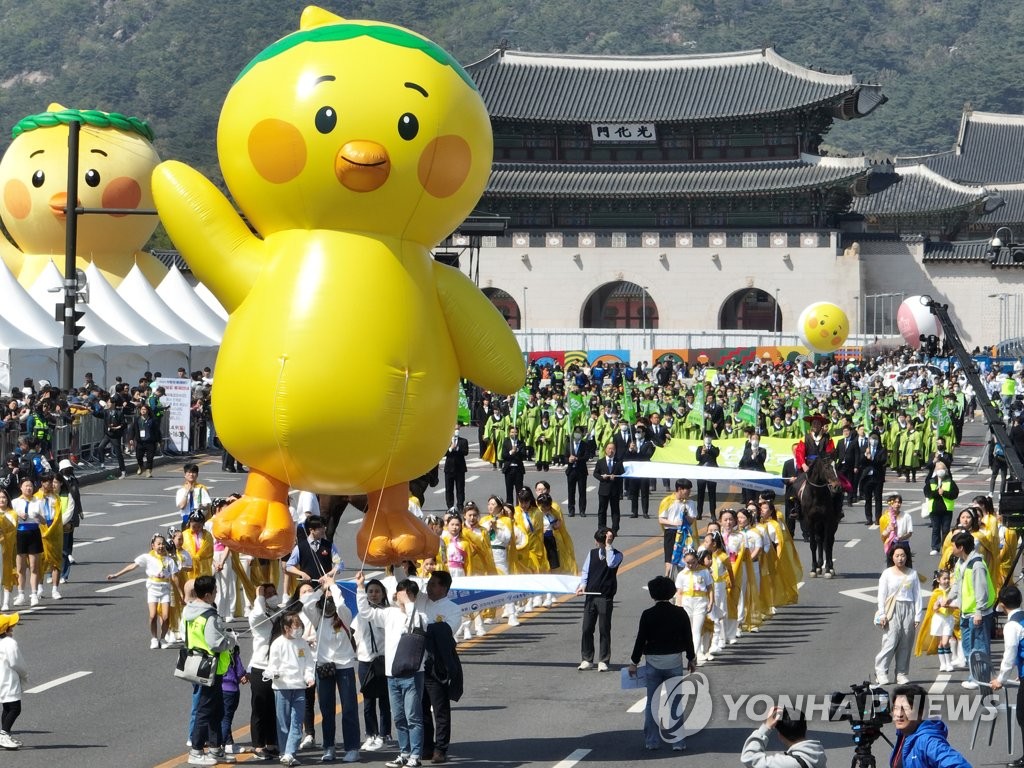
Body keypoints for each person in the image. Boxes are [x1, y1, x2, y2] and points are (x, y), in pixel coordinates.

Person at [355, 571, 430, 768]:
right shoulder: (389, 613)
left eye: (404, 594)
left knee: (413, 716)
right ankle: (404, 753)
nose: (400, 597)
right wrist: (360, 588)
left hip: (413, 673)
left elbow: (414, 626)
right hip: (392, 674)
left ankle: (415, 755)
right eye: (398, 593)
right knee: (399, 717)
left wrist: (409, 603)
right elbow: (366, 613)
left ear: (412, 596)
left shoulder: (421, 615)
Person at [627, 575, 696, 752]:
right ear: (672, 592)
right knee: (675, 703)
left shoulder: (648, 614)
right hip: (674, 662)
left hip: (653, 663)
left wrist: (634, 662)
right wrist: (691, 658)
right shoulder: (680, 613)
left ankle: (651, 741)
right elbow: (688, 638)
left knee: (652, 702)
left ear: (652, 594)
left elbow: (640, 640)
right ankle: (678, 741)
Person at [301, 582, 360, 763]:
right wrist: (320, 589)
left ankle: (352, 748)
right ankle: (329, 747)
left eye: (331, 601)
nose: (329, 604)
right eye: (326, 601)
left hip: (344, 666)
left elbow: (342, 604)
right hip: (324, 666)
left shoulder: (344, 615)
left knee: (349, 708)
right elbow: (307, 604)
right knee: (326, 709)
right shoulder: (317, 617)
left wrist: (333, 586)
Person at [184, 574, 236, 767]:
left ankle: (216, 747)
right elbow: (215, 643)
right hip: (211, 666)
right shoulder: (209, 615)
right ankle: (196, 750)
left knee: (216, 708)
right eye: (215, 591)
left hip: (196, 664)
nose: (216, 594)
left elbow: (185, 634)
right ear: (207, 594)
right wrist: (231, 640)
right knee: (206, 709)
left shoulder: (189, 612)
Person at [941, 529, 995, 689]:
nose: (951, 549)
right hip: (966, 611)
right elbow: (957, 584)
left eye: (953, 546)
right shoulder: (960, 563)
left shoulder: (977, 565)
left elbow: (981, 591)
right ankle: (975, 676)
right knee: (968, 646)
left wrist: (979, 611)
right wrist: (949, 597)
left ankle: (981, 679)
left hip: (978, 613)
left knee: (980, 647)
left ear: (961, 547)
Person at [106, 533, 180, 648]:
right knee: (153, 615)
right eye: (158, 544)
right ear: (153, 545)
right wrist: (116, 575)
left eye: (163, 544)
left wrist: (181, 593)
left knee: (166, 616)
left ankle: (163, 638)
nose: (161, 546)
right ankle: (154, 638)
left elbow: (175, 577)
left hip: (165, 588)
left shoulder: (169, 560)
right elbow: (132, 566)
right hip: (153, 588)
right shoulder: (147, 557)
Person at [420, 570, 463, 765]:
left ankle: (441, 748)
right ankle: (426, 746)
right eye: (428, 583)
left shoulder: (453, 609)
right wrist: (397, 565)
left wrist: (423, 630)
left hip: (438, 665)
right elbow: (401, 582)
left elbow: (446, 632)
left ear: (444, 588)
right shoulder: (422, 601)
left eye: (433, 584)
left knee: (440, 709)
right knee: (421, 709)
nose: (429, 587)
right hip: (419, 664)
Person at [265, 611, 315, 768]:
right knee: (283, 722)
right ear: (286, 627)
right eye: (296, 626)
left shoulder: (302, 643)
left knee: (297, 721)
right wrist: (275, 674)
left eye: (300, 625)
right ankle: (285, 753)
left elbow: (308, 663)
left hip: (299, 687)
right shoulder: (278, 644)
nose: (299, 628)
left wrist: (309, 677)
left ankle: (289, 752)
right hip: (282, 688)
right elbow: (272, 665)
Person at [874, 541, 922, 686]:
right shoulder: (887, 574)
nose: (900, 558)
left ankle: (901, 673)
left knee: (906, 643)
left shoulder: (913, 574)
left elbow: (917, 596)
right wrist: (882, 614)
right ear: (892, 557)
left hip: (908, 609)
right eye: (897, 556)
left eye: (903, 555)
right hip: (892, 609)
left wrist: (917, 615)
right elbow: (881, 595)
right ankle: (881, 671)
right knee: (890, 641)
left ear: (907, 557)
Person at [889, 683, 972, 767]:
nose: (899, 714)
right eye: (896, 708)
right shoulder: (904, 734)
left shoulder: (928, 740)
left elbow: (959, 765)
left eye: (906, 709)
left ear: (921, 713)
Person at [352, 578, 391, 753]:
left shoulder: (389, 613)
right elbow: (353, 636)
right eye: (370, 591)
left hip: (383, 660)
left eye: (377, 591)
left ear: (383, 594)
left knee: (384, 700)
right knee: (368, 700)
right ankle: (371, 734)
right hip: (365, 661)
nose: (374, 594)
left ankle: (385, 734)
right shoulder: (361, 614)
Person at [576, 527, 623, 672]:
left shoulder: (617, 554)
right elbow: (586, 571)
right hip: (590, 595)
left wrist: (608, 546)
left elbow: (611, 564)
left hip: (605, 597)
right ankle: (587, 659)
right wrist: (582, 585)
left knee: (604, 629)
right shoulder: (592, 553)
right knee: (587, 628)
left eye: (598, 541)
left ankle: (603, 660)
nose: (595, 543)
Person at [247, 582, 282, 762]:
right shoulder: (256, 614)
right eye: (268, 594)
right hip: (260, 666)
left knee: (273, 707)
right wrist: (259, 594)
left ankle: (271, 743)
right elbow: (259, 613)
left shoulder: (280, 613)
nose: (272, 596)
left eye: (274, 592)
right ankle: (258, 745)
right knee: (259, 708)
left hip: (277, 667)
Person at [991, 586, 1024, 768]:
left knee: (1022, 716)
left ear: (1002, 606)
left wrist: (1000, 680)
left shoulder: (1012, 625)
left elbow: (1009, 655)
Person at [740, 707, 826, 768]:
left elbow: (749, 758)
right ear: (805, 729)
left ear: (780, 736)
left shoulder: (789, 764)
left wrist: (766, 727)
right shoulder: (818, 753)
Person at [658, 479, 696, 578]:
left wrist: (686, 515)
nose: (689, 493)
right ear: (679, 489)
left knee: (685, 561)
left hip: (685, 534)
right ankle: (668, 583)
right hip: (671, 533)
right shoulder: (667, 501)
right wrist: (675, 524)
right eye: (687, 490)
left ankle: (683, 585)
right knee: (670, 563)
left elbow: (692, 520)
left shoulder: (690, 503)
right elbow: (661, 519)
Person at [0, 612, 26, 751]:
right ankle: (3, 734)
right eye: (11, 626)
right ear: (6, 630)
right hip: (8, 679)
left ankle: (5, 734)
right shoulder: (9, 643)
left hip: (2, 680)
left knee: (7, 707)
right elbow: (17, 663)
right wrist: (24, 675)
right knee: (15, 709)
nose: (13, 628)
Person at [922, 461, 958, 556]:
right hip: (934, 509)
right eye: (938, 469)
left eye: (942, 469)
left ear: (945, 470)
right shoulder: (931, 481)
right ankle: (935, 547)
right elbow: (927, 493)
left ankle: (945, 547)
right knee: (935, 529)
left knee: (946, 530)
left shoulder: (950, 481)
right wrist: (938, 492)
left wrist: (944, 493)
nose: (940, 471)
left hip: (947, 510)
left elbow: (955, 494)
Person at [593, 443, 625, 534]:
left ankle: (615, 529)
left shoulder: (618, 461)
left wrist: (616, 477)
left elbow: (622, 474)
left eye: (613, 449)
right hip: (604, 489)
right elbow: (595, 473)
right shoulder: (601, 461)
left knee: (615, 510)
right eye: (609, 448)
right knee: (602, 510)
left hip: (615, 490)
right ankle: (601, 528)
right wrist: (602, 477)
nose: (611, 451)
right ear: (605, 450)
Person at [626, 423, 656, 518]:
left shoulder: (649, 444)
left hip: (644, 471)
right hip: (634, 471)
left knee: (644, 492)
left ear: (643, 433)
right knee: (634, 493)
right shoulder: (632, 442)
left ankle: (645, 512)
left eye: (639, 432)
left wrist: (637, 451)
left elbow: (648, 455)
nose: (637, 433)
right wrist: (631, 450)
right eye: (636, 432)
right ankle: (634, 512)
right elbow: (626, 456)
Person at [861, 430, 888, 528]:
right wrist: (865, 455)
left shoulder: (882, 450)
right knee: (868, 499)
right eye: (872, 438)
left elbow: (882, 461)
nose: (874, 440)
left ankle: (878, 518)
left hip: (878, 477)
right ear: (869, 439)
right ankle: (869, 518)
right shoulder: (866, 448)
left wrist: (871, 458)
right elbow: (861, 462)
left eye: (876, 438)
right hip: (867, 477)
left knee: (878, 498)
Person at [565, 426, 594, 518]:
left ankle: (582, 510)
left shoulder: (585, 445)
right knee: (571, 491)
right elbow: (564, 457)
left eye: (579, 432)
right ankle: (571, 510)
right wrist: (568, 460)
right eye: (575, 432)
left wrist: (577, 458)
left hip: (581, 471)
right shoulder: (568, 445)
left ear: (582, 434)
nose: (577, 434)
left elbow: (586, 457)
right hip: (571, 471)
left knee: (582, 491)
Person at [177, 464, 213, 529]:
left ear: (197, 475)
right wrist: (187, 492)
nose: (191, 474)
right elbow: (182, 506)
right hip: (186, 520)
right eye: (189, 472)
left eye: (193, 472)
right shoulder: (181, 491)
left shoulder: (202, 489)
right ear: (185, 475)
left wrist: (202, 506)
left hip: (199, 520)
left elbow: (208, 505)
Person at [442, 428, 469, 513]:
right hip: (449, 468)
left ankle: (460, 505)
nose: (456, 430)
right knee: (449, 488)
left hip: (460, 468)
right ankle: (450, 506)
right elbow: (444, 453)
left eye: (457, 429)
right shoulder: (446, 441)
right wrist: (450, 448)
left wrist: (457, 448)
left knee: (460, 488)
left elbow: (465, 452)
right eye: (454, 429)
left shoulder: (463, 441)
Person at [694, 433, 720, 520]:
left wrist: (707, 450)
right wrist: (702, 453)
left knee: (712, 494)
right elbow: (697, 458)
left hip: (712, 473)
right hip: (702, 473)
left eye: (709, 437)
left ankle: (713, 514)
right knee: (700, 494)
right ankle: (699, 513)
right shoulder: (700, 448)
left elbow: (715, 454)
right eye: (706, 437)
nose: (707, 439)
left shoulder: (715, 448)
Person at [133, 402, 161, 477]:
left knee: (150, 457)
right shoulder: (137, 419)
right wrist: (131, 438)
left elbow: (157, 431)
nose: (143, 411)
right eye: (142, 409)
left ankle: (148, 470)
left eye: (145, 409)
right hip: (140, 441)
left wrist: (159, 441)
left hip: (150, 441)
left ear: (148, 410)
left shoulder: (153, 420)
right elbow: (133, 429)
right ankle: (141, 467)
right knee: (138, 456)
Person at [501, 426, 526, 504]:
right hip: (509, 469)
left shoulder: (521, 443)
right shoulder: (506, 442)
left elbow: (523, 456)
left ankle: (519, 508)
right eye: (512, 432)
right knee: (509, 491)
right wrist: (511, 452)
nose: (514, 434)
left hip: (518, 470)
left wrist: (517, 450)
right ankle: (509, 507)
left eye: (515, 432)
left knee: (519, 491)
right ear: (509, 433)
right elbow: (504, 455)